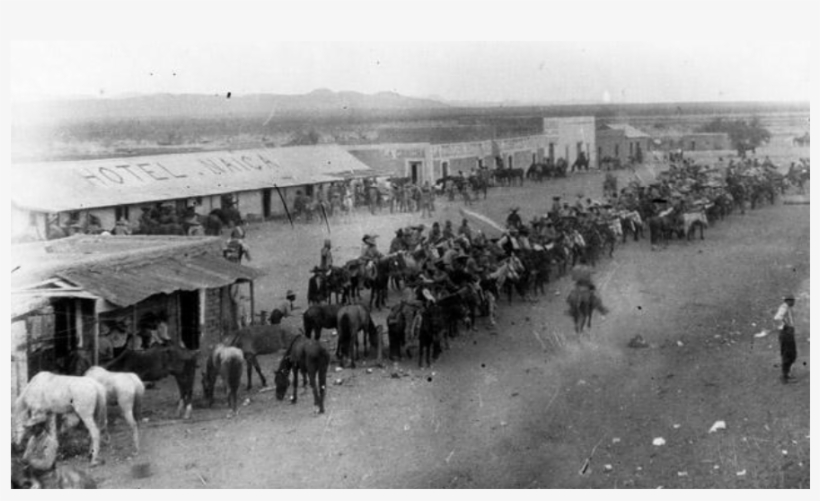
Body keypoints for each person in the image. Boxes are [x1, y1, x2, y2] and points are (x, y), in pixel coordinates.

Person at [773, 294, 797, 383]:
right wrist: (785, 327)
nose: (794, 302)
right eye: (793, 300)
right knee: (788, 354)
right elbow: (777, 318)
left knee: (792, 354)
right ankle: (785, 376)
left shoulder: (787, 308)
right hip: (786, 334)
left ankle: (786, 374)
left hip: (787, 333)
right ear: (788, 301)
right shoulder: (784, 307)